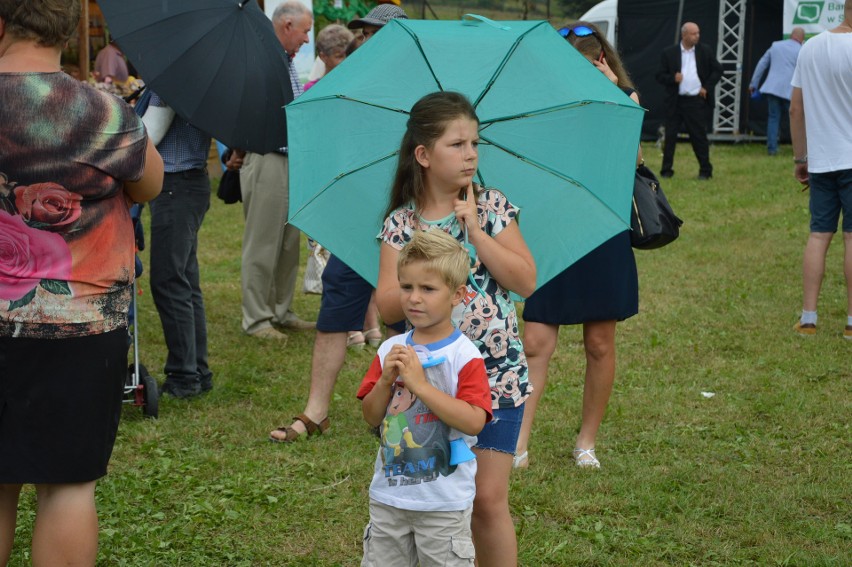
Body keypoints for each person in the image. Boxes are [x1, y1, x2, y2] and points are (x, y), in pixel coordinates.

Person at [0, 0, 164, 563]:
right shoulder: (102, 109)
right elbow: (147, 187)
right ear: (68, 30)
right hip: (83, 324)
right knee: (67, 485)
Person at [376, 91, 536, 567]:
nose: (470, 155)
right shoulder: (400, 224)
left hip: (496, 376)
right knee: (442, 504)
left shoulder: (490, 207)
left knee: (487, 501)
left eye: (474, 144)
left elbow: (525, 280)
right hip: (429, 386)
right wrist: (424, 259)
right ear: (423, 155)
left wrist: (476, 235)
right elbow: (387, 307)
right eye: (457, 144)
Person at [269, 5, 410, 444]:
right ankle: (316, 412)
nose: (365, 42)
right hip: (354, 216)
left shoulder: (420, 92)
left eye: (373, 35)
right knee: (336, 310)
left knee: (401, 315)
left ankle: (399, 411)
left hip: (405, 219)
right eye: (363, 34)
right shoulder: (347, 85)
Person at [513, 22, 640, 472]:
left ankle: (586, 442)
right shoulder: (541, 106)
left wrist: (611, 97)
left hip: (602, 229)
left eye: (585, 67)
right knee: (535, 340)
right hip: (550, 229)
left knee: (600, 342)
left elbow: (631, 162)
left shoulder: (625, 103)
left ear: (601, 62)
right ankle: (518, 441)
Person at [357, 230, 491, 567]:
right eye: (407, 287)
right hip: (390, 497)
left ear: (457, 294)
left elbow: (475, 420)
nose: (414, 298)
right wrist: (386, 381)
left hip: (444, 503)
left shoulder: (464, 355)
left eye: (428, 289)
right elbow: (371, 417)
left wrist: (421, 386)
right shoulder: (390, 348)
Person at [239, 0, 315, 342]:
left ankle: (281, 310)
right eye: (305, 32)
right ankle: (256, 319)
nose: (306, 39)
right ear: (287, 26)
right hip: (267, 157)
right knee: (263, 242)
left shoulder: (284, 61)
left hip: (288, 160)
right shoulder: (259, 58)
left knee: (287, 243)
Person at [143, 91, 215, 399]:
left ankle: (184, 376)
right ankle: (196, 370)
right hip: (187, 183)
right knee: (184, 280)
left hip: (176, 185)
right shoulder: (195, 76)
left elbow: (150, 133)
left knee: (170, 280)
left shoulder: (169, 83)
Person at [789, 6, 852, 340]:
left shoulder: (810, 46)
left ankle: (809, 318)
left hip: (822, 159)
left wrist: (801, 157)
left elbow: (795, 108)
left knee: (818, 235)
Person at [656, 22, 723, 180]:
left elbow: (718, 69)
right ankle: (666, 170)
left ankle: (705, 170)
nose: (697, 36)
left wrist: (706, 87)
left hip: (695, 101)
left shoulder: (704, 51)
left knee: (699, 136)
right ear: (684, 35)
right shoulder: (669, 53)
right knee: (670, 136)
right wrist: (673, 78)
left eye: (698, 33)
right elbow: (659, 75)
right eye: (693, 33)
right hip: (676, 101)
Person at [749, 28, 805, 156]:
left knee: (773, 118)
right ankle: (799, 150)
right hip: (791, 91)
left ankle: (772, 149)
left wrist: (753, 84)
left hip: (772, 89)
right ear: (801, 39)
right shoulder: (801, 50)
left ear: (791, 36)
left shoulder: (776, 45)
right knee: (796, 119)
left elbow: (762, 64)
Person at [303, 24, 353, 91]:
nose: (346, 60)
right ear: (323, 56)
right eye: (339, 56)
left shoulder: (356, 86)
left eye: (349, 54)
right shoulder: (311, 90)